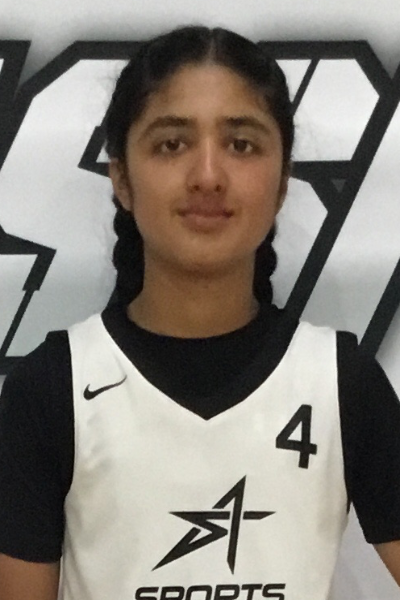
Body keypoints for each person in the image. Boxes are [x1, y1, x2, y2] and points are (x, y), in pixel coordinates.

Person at [0, 25, 399, 600]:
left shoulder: (341, 382)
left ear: (283, 181)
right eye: (171, 144)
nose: (208, 176)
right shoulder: (51, 388)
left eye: (241, 145)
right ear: (121, 178)